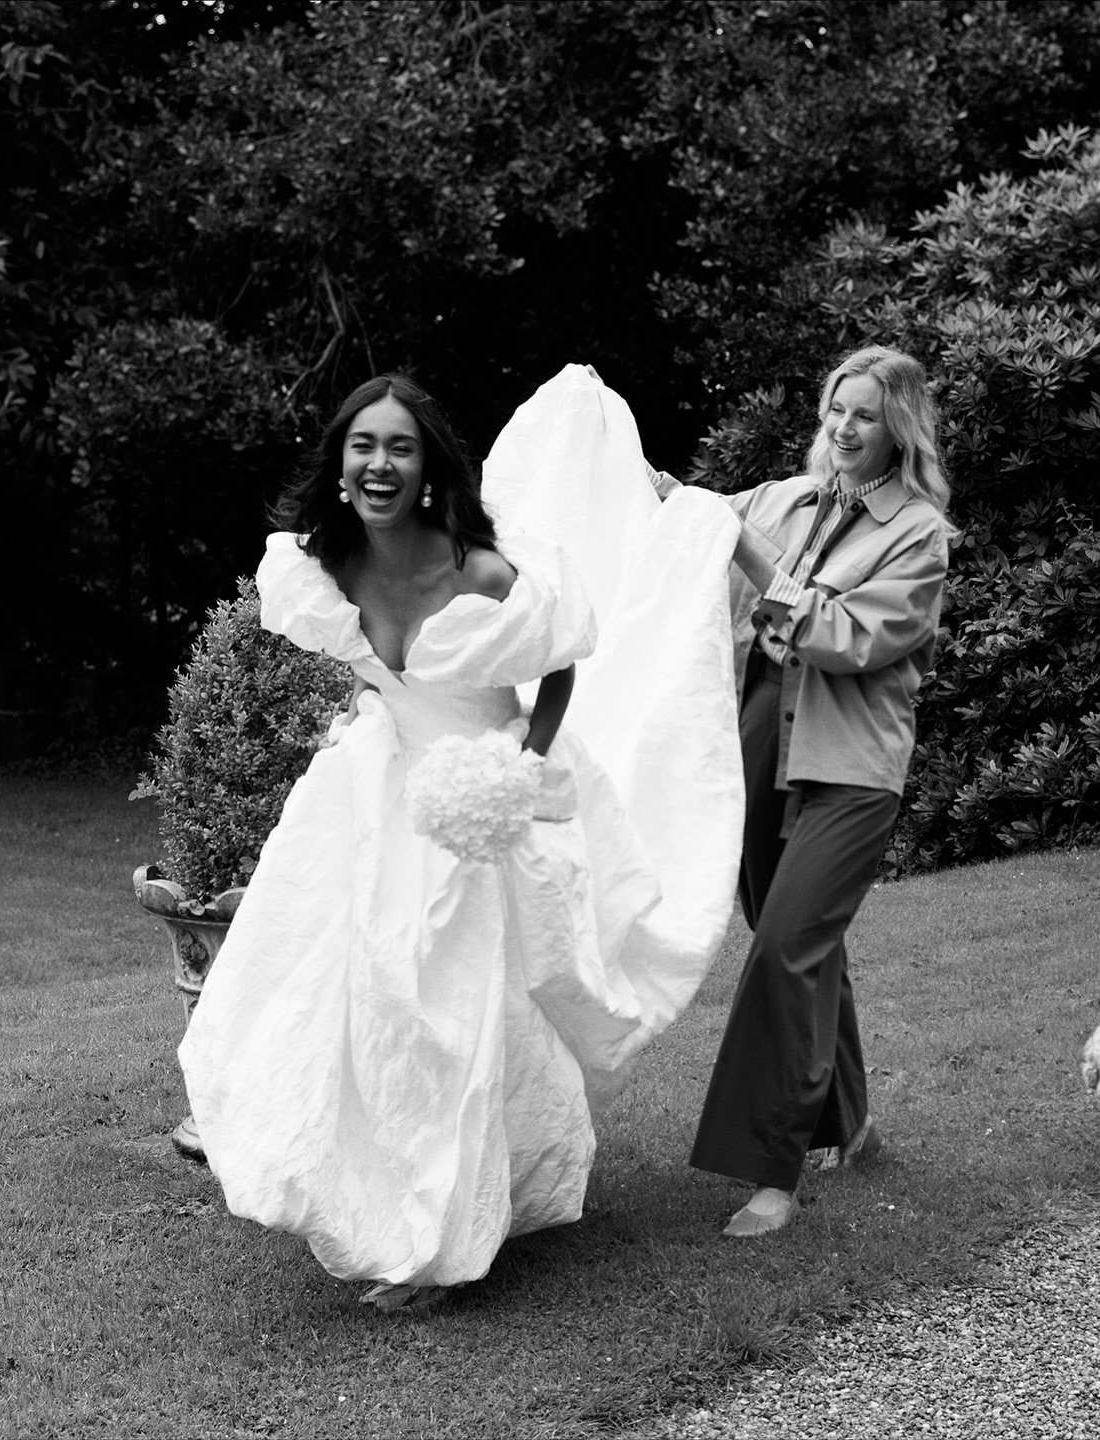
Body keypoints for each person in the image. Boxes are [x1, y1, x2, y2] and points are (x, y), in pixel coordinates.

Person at [179, 368, 744, 1307]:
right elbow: (366, 663)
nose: (380, 463)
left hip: (476, 812)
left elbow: (557, 668)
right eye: (364, 446)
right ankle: (377, 1186)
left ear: (431, 466)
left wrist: (520, 760)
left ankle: (440, 1244)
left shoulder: (479, 566)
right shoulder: (320, 565)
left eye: (400, 446)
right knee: (355, 997)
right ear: (342, 463)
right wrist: (366, 703)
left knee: (451, 1008)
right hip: (374, 800)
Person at [645, 344, 955, 1237]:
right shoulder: (784, 498)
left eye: (864, 415)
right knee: (808, 945)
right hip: (755, 744)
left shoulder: (919, 536)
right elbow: (681, 523)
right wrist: (643, 482)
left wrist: (736, 540)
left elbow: (845, 635)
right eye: (835, 411)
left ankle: (772, 1170)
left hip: (850, 767)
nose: (844, 428)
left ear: (898, 428)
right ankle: (848, 1122)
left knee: (786, 948)